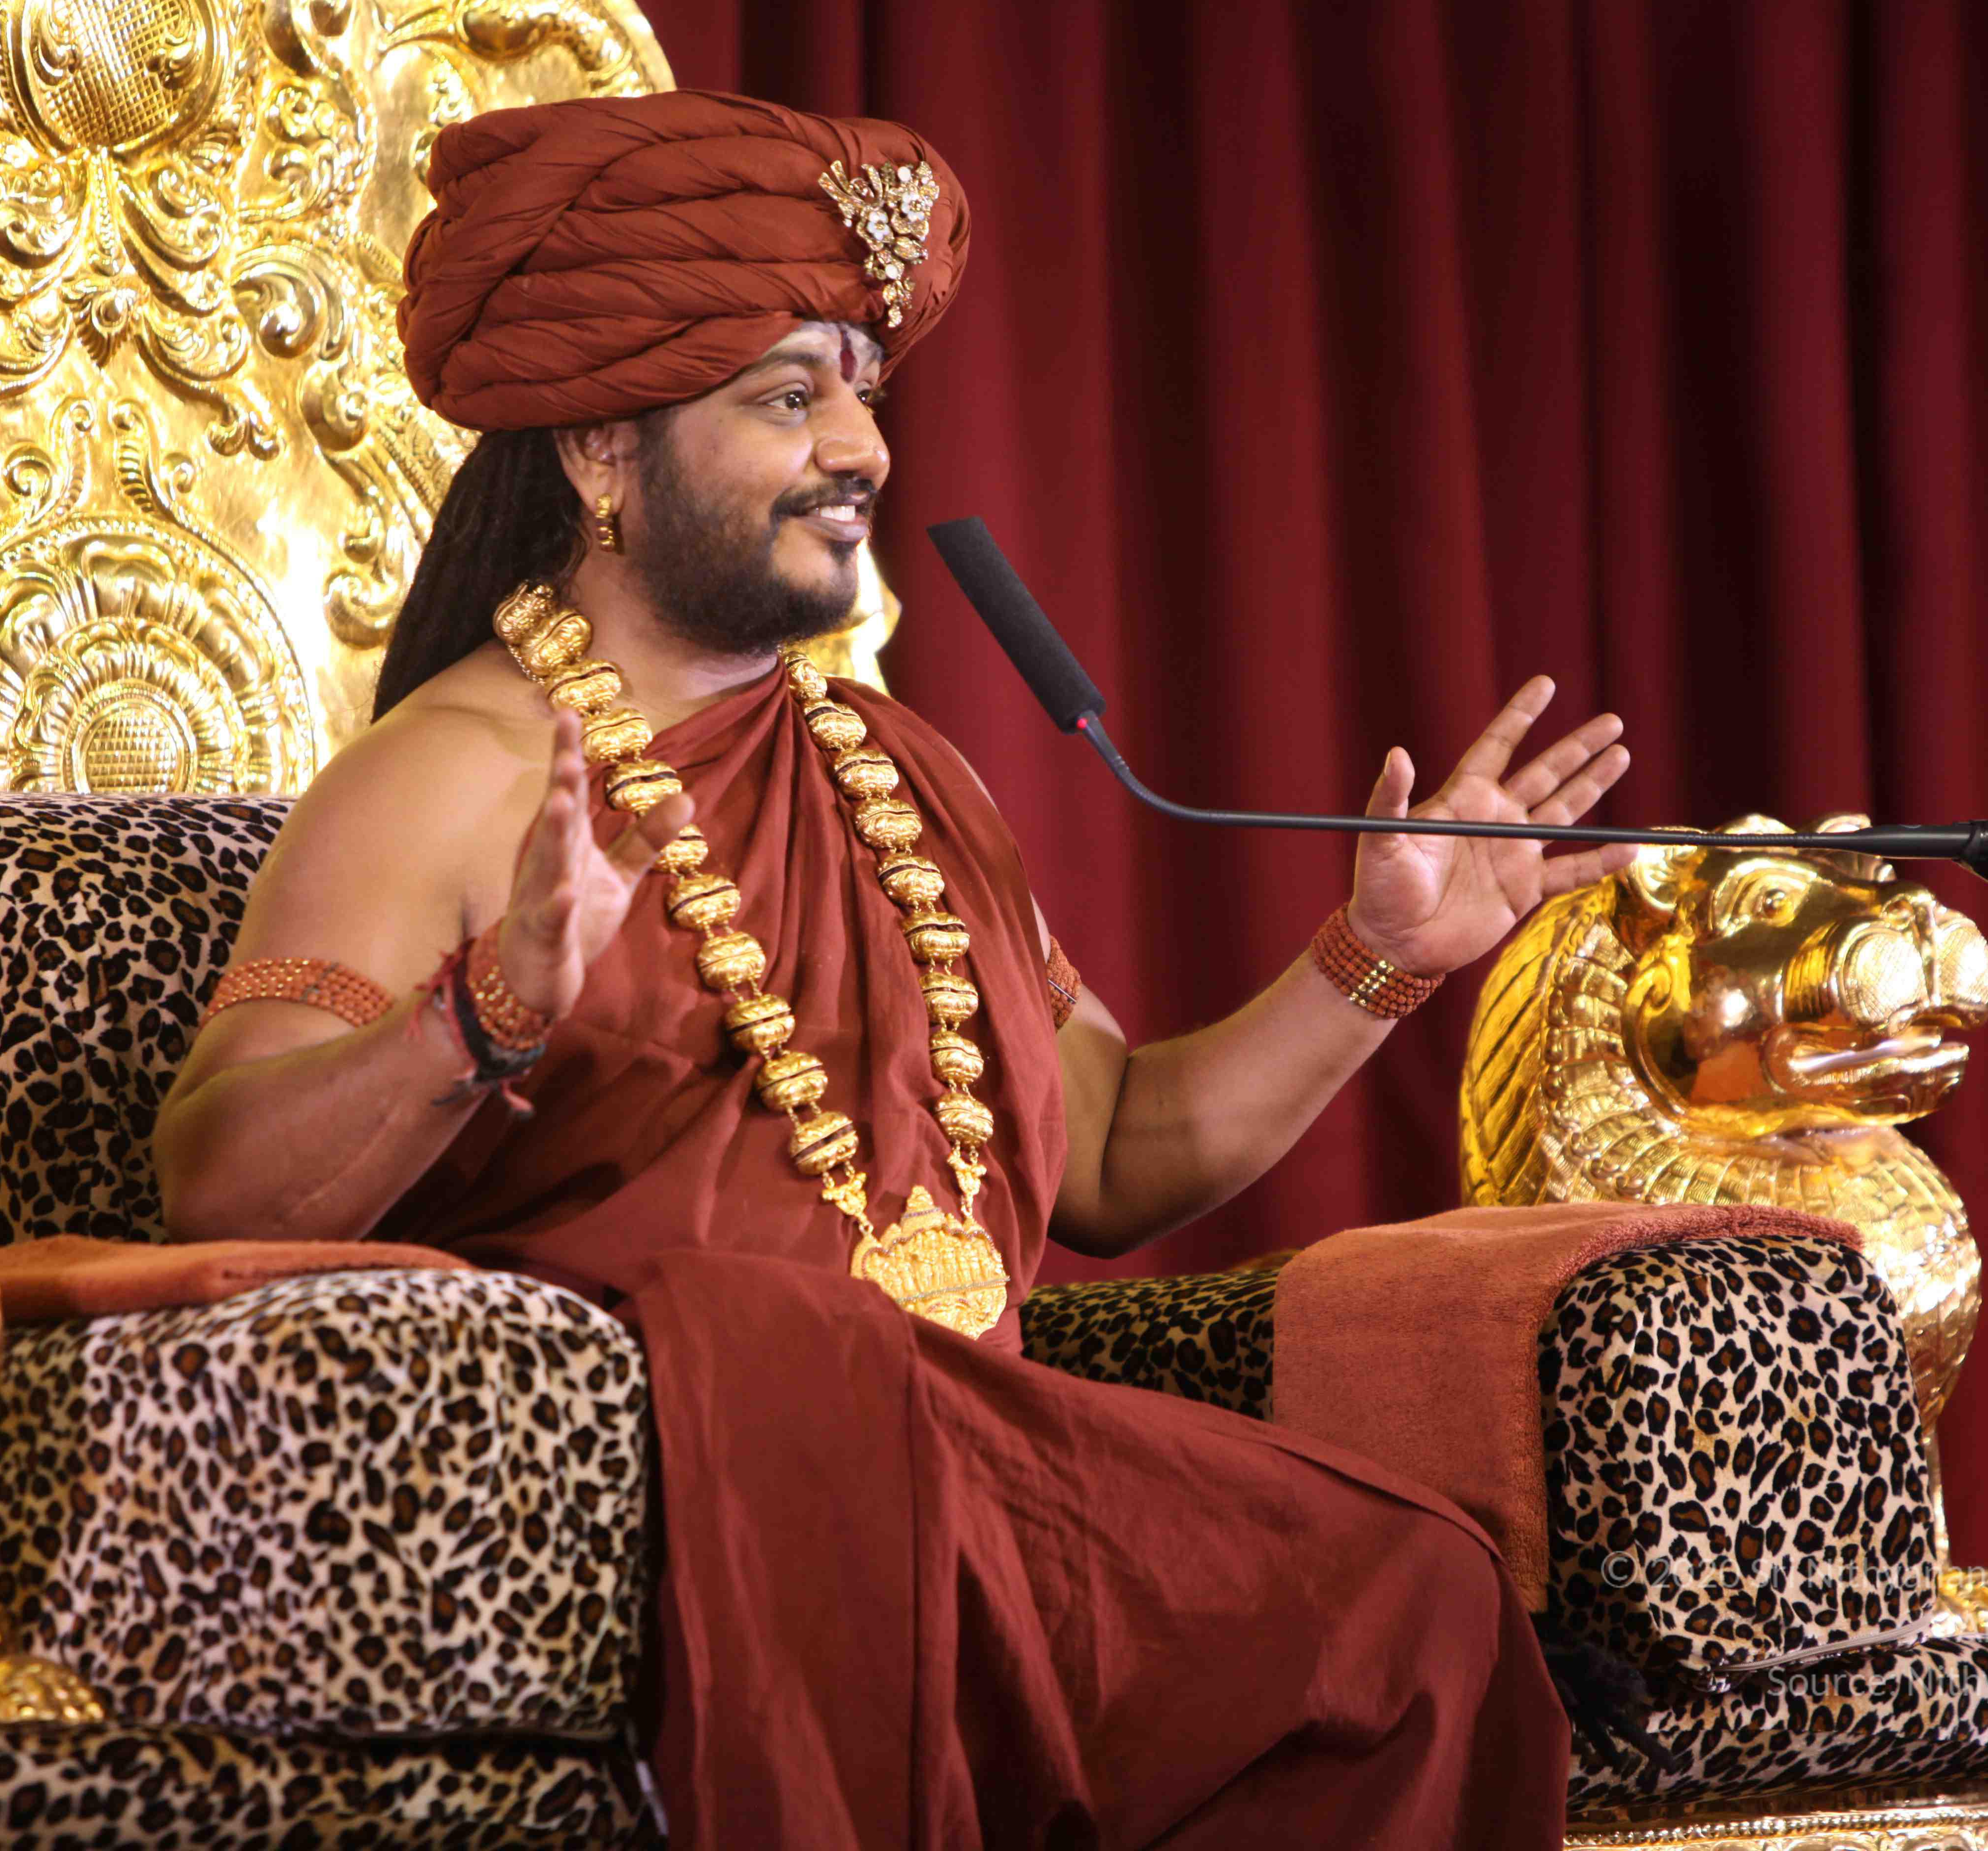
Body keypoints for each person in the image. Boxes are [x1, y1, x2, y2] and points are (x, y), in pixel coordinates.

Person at [152, 89, 1636, 1849]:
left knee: (1410, 1606)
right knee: (1385, 1602)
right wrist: (487, 1009)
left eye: (864, 391)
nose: (860, 445)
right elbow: (219, 1187)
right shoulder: (456, 773)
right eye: (790, 398)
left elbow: (1116, 1150)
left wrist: (1377, 958)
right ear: (603, 452)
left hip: (983, 1468)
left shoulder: (904, 774)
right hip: (697, 1486)